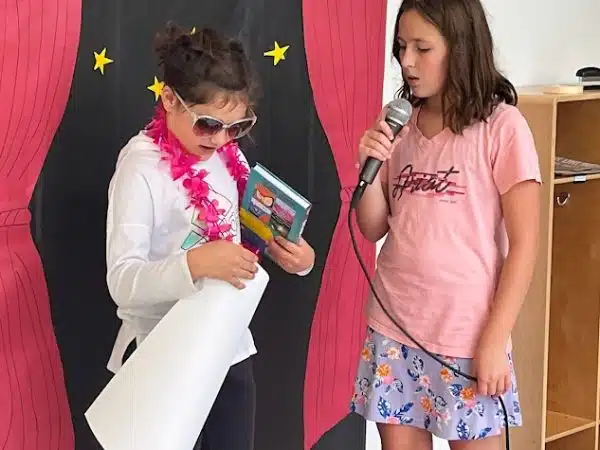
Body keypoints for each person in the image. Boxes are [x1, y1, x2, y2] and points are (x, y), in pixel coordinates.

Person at [104, 22, 315, 450]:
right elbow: (122, 282)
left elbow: (254, 228)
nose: (220, 139)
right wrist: (196, 263)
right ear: (169, 99)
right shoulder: (139, 167)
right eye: (207, 124)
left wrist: (297, 256)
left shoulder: (226, 155)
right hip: (159, 352)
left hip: (228, 349)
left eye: (236, 127)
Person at [350, 0, 541, 449]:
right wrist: (368, 166)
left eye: (422, 48)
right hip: (395, 330)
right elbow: (373, 227)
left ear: (461, 47)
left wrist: (495, 338)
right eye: (401, 47)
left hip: (468, 338)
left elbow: (526, 244)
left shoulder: (502, 127)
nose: (407, 62)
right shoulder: (397, 123)